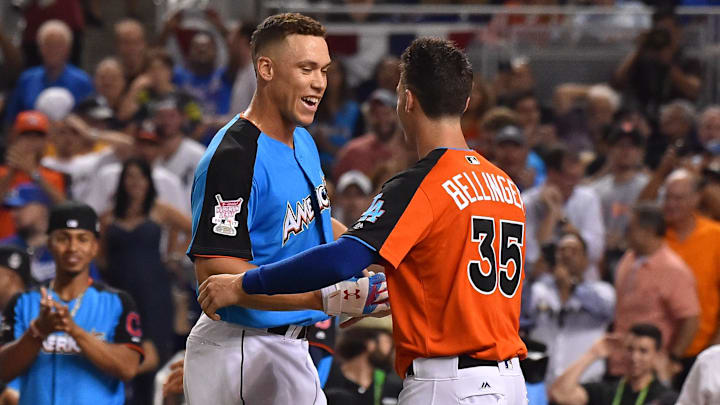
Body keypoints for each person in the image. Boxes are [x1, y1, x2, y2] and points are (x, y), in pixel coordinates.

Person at [198, 37, 529, 405]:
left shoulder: (423, 183)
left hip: (448, 381)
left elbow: (341, 259)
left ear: (407, 100)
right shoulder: (505, 185)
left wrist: (246, 283)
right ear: (465, 103)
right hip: (510, 380)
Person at [183, 13, 388, 405]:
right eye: (306, 69)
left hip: (292, 345)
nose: (319, 83)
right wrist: (323, 299)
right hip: (240, 349)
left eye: (324, 70)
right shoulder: (235, 157)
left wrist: (375, 259)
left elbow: (317, 224)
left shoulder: (304, 140)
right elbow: (216, 277)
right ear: (266, 69)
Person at [0, 202, 144, 405]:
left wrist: (74, 331)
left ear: (95, 247)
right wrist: (38, 331)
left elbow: (128, 368)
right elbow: (4, 370)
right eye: (63, 238)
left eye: (82, 239)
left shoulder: (118, 302)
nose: (72, 247)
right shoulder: (23, 302)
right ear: (49, 243)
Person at [101, 158, 189, 405]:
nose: (135, 182)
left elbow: (192, 228)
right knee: (121, 346)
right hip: (120, 290)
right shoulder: (109, 216)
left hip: (154, 290)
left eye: (140, 177)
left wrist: (174, 255)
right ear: (122, 181)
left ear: (149, 181)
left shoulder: (158, 209)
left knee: (155, 352)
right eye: (129, 177)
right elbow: (101, 256)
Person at [610, 204, 700, 380]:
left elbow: (691, 319)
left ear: (648, 231)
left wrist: (673, 357)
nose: (625, 232)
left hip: (650, 370)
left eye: (630, 228)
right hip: (620, 362)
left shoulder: (673, 270)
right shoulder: (629, 258)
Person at [527, 231, 615, 385]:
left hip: (585, 384)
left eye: (574, 251)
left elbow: (607, 310)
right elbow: (522, 316)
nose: (567, 255)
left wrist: (572, 286)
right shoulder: (539, 289)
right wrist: (532, 276)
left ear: (586, 260)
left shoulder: (602, 291)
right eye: (561, 250)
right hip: (543, 382)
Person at [662, 169, 720, 383]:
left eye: (678, 198)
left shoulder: (715, 235)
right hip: (659, 353)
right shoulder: (656, 237)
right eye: (667, 197)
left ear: (696, 198)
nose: (671, 204)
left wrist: (716, 346)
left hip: (704, 347)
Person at [522, 144, 605, 278]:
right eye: (569, 177)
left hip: (582, 282)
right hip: (543, 283)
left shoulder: (588, 198)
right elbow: (532, 257)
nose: (573, 184)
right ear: (551, 173)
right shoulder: (527, 202)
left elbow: (596, 250)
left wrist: (563, 221)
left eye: (577, 178)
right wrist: (551, 214)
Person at [549, 324, 673, 405]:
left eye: (643, 351)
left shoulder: (665, 398)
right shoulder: (606, 391)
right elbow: (559, 394)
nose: (635, 357)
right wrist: (593, 353)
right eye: (630, 349)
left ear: (657, 355)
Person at [5, 20, 94, 124]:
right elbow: (11, 120)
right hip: (32, 136)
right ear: (39, 48)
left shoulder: (82, 81)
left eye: (58, 45)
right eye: (48, 44)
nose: (53, 50)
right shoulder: (26, 79)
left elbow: (91, 121)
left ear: (68, 49)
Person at [0, 111, 67, 239]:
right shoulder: (2, 173)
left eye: (37, 136)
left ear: (45, 141)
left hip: (40, 248)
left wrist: (33, 173)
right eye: (26, 135)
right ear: (14, 138)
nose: (31, 142)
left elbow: (64, 208)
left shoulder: (53, 176)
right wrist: (12, 173)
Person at [332, 89, 407, 181]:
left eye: (386, 113)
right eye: (376, 114)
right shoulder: (353, 151)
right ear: (369, 117)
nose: (382, 119)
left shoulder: (412, 149)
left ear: (397, 114)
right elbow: (335, 185)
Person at [323, 322, 402, 405]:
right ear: (370, 344)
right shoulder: (328, 378)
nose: (394, 350)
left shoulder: (393, 388)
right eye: (388, 342)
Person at [0, 184, 55, 284]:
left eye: (20, 207)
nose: (13, 214)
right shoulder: (4, 249)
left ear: (42, 208)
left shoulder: (65, 246)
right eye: (12, 209)